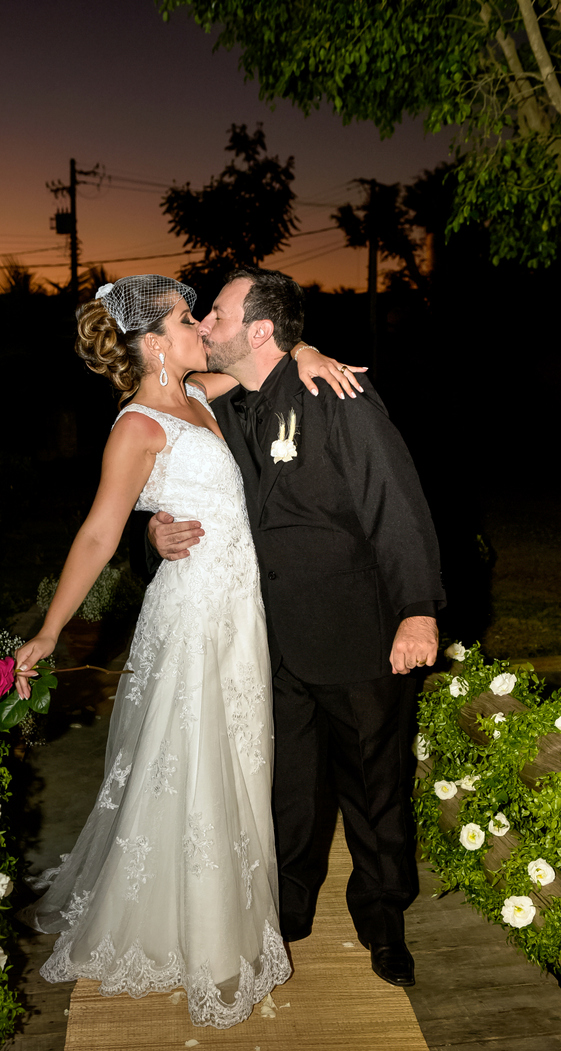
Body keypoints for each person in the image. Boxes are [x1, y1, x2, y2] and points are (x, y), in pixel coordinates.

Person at [14, 274, 364, 1028]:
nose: (198, 325)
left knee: (239, 757)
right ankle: (202, 938)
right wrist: (50, 630)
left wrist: (302, 347)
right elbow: (99, 532)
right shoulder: (136, 425)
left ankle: (224, 906)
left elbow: (254, 359)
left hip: (241, 612)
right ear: (150, 342)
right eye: (182, 319)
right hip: (194, 614)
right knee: (194, 759)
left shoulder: (200, 394)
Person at [149, 268, 445, 988]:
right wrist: (156, 530)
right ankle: (287, 909)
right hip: (269, 638)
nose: (204, 325)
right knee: (285, 787)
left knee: (375, 791)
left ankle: (383, 921)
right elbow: (180, 467)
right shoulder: (227, 404)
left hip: (356, 632)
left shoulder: (335, 396)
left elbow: (394, 503)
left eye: (215, 314)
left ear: (255, 330)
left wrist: (417, 608)